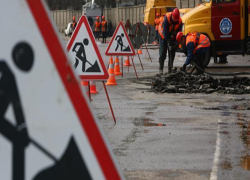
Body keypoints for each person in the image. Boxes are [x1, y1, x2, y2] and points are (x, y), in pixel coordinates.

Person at [158, 8, 182, 75]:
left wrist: (175, 43)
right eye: (174, 19)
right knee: (163, 52)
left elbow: (178, 33)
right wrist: (168, 41)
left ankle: (170, 69)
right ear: (172, 16)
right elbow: (165, 32)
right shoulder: (167, 18)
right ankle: (160, 68)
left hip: (171, 35)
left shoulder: (179, 21)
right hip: (162, 35)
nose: (175, 20)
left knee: (172, 52)